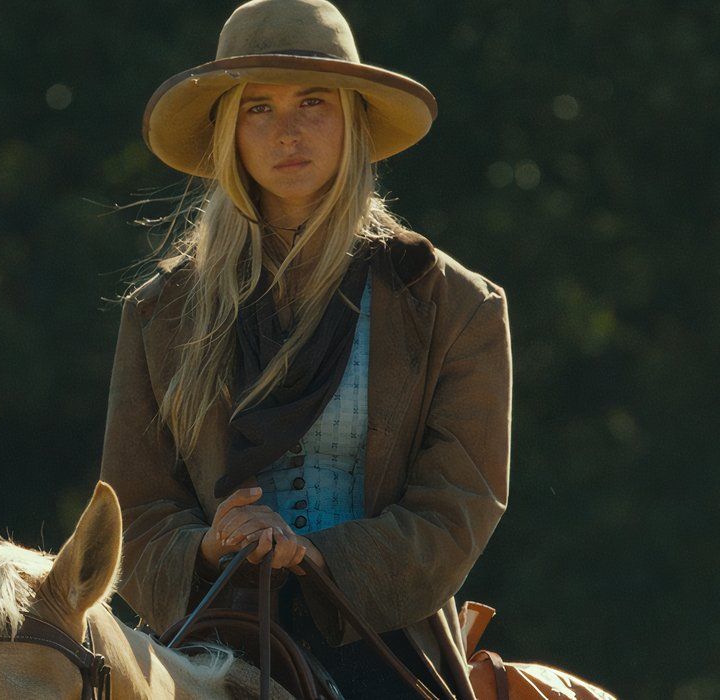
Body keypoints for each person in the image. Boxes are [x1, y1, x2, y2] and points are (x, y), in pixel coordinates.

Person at [97, 0, 512, 697]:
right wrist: (209, 544)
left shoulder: (452, 305)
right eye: (258, 108)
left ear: (353, 120)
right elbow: (130, 511)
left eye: (312, 101)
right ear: (230, 131)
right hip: (206, 631)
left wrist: (314, 555)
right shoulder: (161, 312)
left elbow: (457, 507)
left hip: (382, 638)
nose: (286, 130)